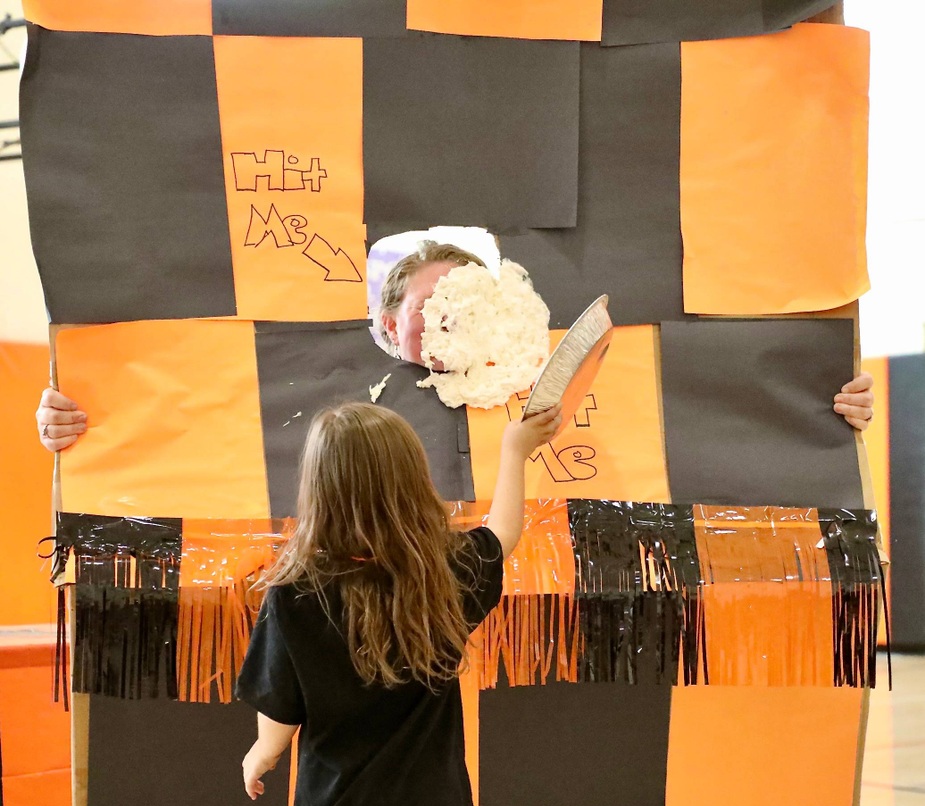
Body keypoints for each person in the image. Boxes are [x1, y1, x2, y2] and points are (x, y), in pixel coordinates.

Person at [234, 401, 561, 806]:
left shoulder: (295, 593)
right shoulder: (446, 570)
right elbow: (504, 534)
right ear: (412, 478)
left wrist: (261, 754)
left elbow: (278, 718)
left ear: (320, 488)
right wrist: (515, 448)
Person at [33, 239, 877, 448]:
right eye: (427, 313)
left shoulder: (538, 383)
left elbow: (693, 418)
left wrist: (812, 410)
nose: (444, 329)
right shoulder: (338, 394)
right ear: (385, 326)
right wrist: (93, 424)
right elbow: (209, 415)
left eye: (463, 310)